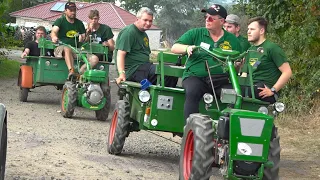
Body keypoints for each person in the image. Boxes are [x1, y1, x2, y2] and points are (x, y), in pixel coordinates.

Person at [171, 4, 242, 120]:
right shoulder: (196, 33)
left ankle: (227, 130)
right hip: (195, 76)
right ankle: (190, 129)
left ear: (221, 21)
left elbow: (237, 66)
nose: (207, 20)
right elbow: (174, 47)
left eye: (211, 18)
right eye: (206, 17)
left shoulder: (232, 40)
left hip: (220, 79)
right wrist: (187, 48)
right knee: (192, 92)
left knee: (234, 96)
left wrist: (238, 65)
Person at [115, 7, 177, 87]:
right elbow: (120, 54)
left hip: (144, 67)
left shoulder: (144, 34)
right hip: (133, 70)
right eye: (145, 20)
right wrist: (121, 74)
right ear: (137, 19)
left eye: (150, 21)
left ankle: (162, 96)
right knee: (167, 73)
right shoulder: (129, 32)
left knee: (172, 72)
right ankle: (160, 96)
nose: (148, 23)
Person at [245, 16, 292, 103]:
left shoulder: (272, 48)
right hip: (251, 87)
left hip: (264, 90)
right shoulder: (250, 50)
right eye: (248, 29)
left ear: (261, 31)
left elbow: (287, 72)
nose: (248, 32)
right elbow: (252, 69)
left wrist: (273, 90)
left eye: (252, 29)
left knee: (247, 90)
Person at [51, 2, 99, 79]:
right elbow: (54, 31)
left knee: (94, 59)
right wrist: (54, 37)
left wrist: (88, 33)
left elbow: (84, 39)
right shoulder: (60, 21)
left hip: (76, 49)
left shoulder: (79, 23)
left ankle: (79, 74)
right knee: (67, 48)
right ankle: (71, 71)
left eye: (74, 10)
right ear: (65, 10)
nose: (73, 12)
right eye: (71, 10)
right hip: (60, 48)